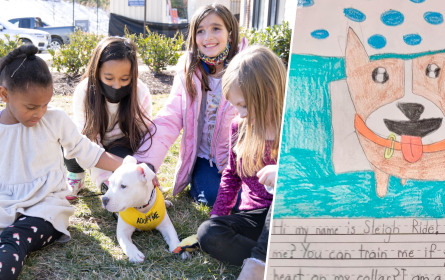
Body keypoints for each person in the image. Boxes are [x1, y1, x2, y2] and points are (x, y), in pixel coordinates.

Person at [0, 45, 123, 280]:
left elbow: (89, 153)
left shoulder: (55, 120)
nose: (40, 112)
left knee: (14, 241)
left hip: (45, 208)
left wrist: (130, 165)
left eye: (45, 104)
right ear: (4, 95)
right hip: (4, 204)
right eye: (31, 107)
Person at [134, 3, 248, 206]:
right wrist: (146, 163)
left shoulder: (248, 67)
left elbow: (261, 119)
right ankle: (199, 182)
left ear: (230, 32)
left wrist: (242, 161)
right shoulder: (189, 70)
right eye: (200, 31)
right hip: (207, 160)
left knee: (252, 196)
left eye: (216, 28)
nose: (208, 37)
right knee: (213, 197)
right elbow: (169, 117)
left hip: (242, 158)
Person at [196, 45, 286, 279]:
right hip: (254, 219)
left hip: (286, 216)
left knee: (279, 205)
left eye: (244, 105)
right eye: (235, 105)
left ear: (269, 92)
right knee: (208, 233)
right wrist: (218, 217)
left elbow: (312, 178)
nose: (240, 113)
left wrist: (285, 174)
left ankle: (257, 265)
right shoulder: (240, 126)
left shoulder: (292, 128)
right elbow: (232, 175)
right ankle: (277, 258)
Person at [65, 36, 153, 200]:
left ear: (133, 75)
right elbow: (86, 145)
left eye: (124, 79)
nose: (117, 86)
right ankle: (76, 177)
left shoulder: (140, 93)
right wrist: (104, 179)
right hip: (87, 143)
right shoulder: (84, 92)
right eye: (109, 78)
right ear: (96, 72)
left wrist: (142, 171)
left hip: (118, 146)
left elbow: (144, 136)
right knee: (70, 148)